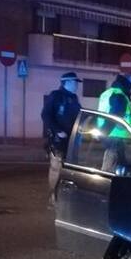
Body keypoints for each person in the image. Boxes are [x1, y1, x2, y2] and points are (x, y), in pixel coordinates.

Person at [41, 71, 82, 205]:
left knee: (70, 169)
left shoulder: (74, 98)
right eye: (75, 82)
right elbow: (45, 115)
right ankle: (52, 197)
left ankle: (65, 196)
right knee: (56, 168)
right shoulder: (55, 96)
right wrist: (57, 131)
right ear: (68, 82)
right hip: (58, 140)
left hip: (72, 140)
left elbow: (79, 116)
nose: (77, 85)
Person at [97, 73, 131, 173]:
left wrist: (101, 133)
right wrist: (103, 133)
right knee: (110, 169)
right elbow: (115, 116)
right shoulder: (119, 95)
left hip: (111, 136)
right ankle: (104, 187)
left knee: (119, 167)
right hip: (116, 137)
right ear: (127, 84)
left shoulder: (109, 93)